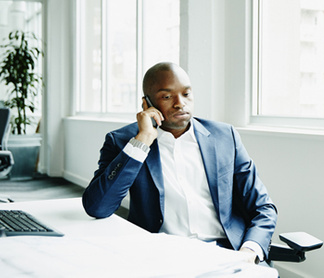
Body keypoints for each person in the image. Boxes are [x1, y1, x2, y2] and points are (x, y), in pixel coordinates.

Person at [82, 62, 277, 264]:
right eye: (167, 96)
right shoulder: (123, 141)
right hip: (161, 256)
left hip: (227, 253)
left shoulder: (224, 137)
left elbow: (263, 207)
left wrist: (248, 252)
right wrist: (143, 140)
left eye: (186, 94)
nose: (179, 103)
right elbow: (98, 207)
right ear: (146, 103)